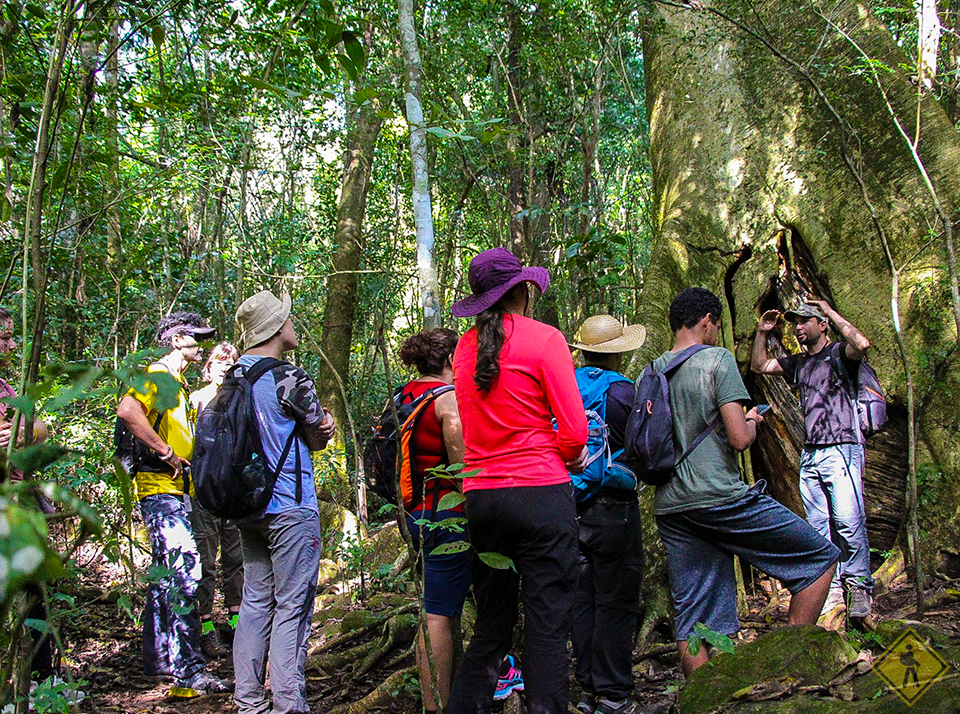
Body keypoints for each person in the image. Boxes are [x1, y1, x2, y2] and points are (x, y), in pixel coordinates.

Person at [653, 288, 839, 677]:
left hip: (672, 505)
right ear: (707, 320)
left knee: (693, 620)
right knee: (819, 560)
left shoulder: (651, 371)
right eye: (717, 325)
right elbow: (738, 439)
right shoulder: (717, 359)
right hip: (720, 497)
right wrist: (753, 421)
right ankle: (787, 668)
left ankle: (702, 701)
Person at [445, 247, 589, 714]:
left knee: (492, 623)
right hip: (541, 496)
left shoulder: (463, 349)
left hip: (482, 500)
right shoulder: (545, 339)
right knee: (547, 625)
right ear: (523, 292)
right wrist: (570, 455)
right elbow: (573, 433)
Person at [232, 290, 335, 714]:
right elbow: (316, 434)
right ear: (276, 328)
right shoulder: (288, 377)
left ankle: (249, 702)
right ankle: (289, 704)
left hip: (247, 505)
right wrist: (325, 424)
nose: (293, 325)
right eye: (288, 319)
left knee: (256, 601)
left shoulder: (232, 375)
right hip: (290, 505)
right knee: (293, 605)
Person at [116, 311, 230, 694]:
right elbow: (129, 411)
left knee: (165, 575)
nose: (200, 344)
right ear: (176, 339)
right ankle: (189, 671)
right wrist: (165, 452)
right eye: (195, 338)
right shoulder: (158, 376)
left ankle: (162, 661)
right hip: (159, 487)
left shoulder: (175, 382)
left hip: (175, 490)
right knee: (186, 570)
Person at [751, 300, 874, 619]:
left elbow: (861, 344)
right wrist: (762, 333)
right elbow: (760, 366)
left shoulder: (838, 355)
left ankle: (858, 586)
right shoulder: (799, 363)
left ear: (822, 325)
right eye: (795, 322)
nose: (798, 326)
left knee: (848, 521)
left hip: (843, 447)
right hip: (813, 453)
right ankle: (830, 591)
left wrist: (831, 312)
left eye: (806, 320)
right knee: (819, 526)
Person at [567, 315, 647, 714]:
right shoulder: (624, 393)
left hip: (571, 506)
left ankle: (586, 690)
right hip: (614, 508)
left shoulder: (565, 386)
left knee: (583, 600)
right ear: (619, 352)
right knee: (616, 601)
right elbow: (643, 449)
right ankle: (614, 695)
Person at [0, 307, 77, 705]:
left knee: (35, 595)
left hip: (19, 505)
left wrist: (25, 433)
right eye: (5, 338)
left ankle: (41, 681)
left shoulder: (6, 387)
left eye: (13, 337)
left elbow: (38, 429)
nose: (12, 346)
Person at [397, 329, 473, 713]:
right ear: (448, 362)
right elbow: (463, 470)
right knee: (439, 613)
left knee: (439, 607)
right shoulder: (446, 400)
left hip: (412, 513)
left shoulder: (404, 395)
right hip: (445, 516)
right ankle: (437, 704)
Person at [189, 342, 243, 659]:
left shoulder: (241, 399)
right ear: (209, 366)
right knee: (206, 561)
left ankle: (236, 622)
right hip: (204, 490)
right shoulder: (196, 399)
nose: (224, 367)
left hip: (234, 491)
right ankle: (205, 627)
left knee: (236, 560)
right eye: (219, 362)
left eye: (230, 362)